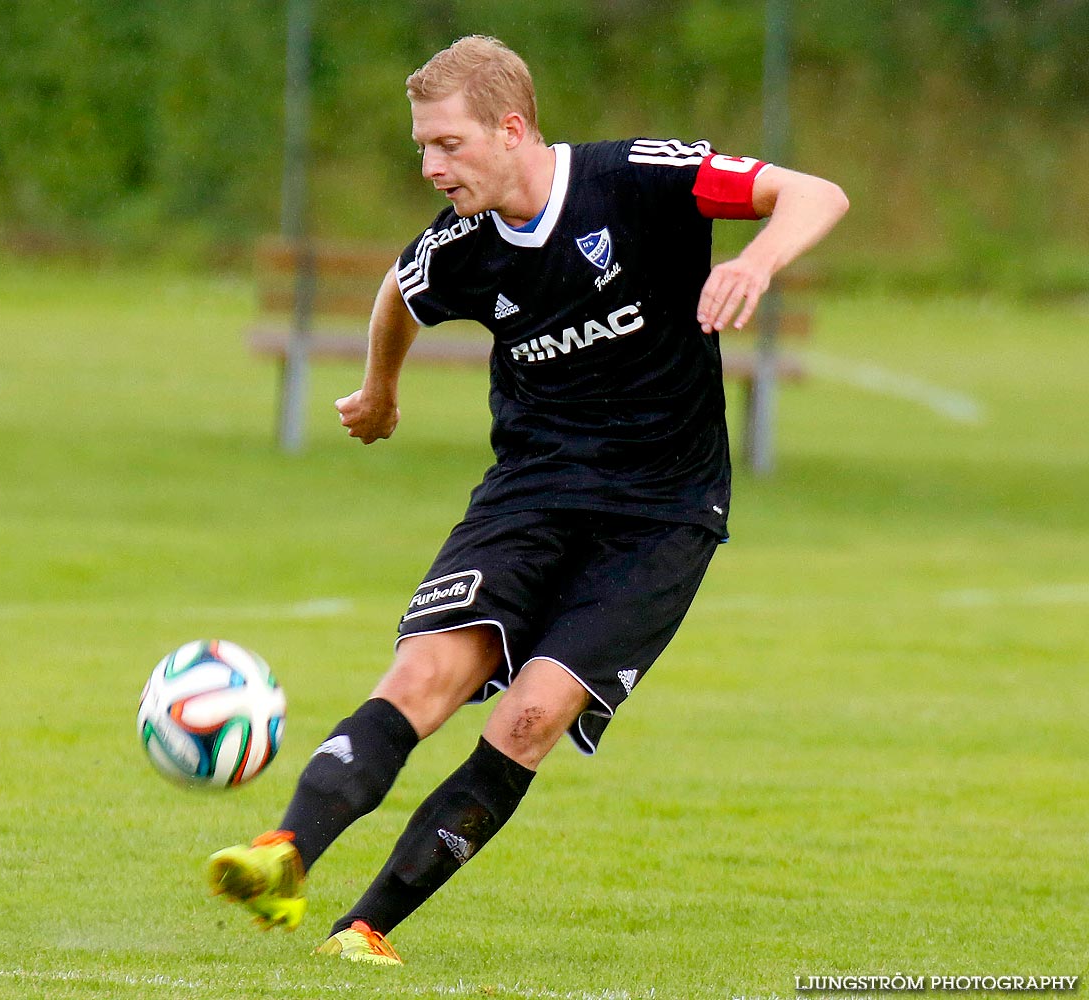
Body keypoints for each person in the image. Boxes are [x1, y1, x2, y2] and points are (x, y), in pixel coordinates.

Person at [207, 35, 848, 966]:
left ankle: (367, 927)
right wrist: (382, 390)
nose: (432, 167)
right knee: (425, 677)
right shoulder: (458, 248)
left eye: (449, 145)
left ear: (512, 129)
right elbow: (398, 292)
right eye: (421, 148)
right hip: (532, 491)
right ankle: (283, 856)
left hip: (663, 511)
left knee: (529, 718)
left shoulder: (637, 179)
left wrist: (756, 262)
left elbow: (816, 193)